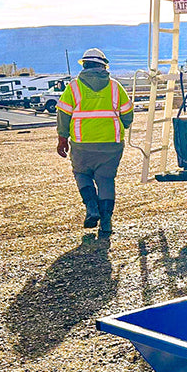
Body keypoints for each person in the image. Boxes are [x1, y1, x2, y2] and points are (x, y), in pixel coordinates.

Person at [56, 48, 133, 235]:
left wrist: (62, 138)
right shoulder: (115, 87)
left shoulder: (74, 87)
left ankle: (91, 208)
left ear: (85, 65)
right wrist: (123, 124)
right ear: (103, 66)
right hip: (111, 144)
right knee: (106, 180)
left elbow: (63, 114)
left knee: (81, 174)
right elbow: (128, 114)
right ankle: (106, 222)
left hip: (82, 144)